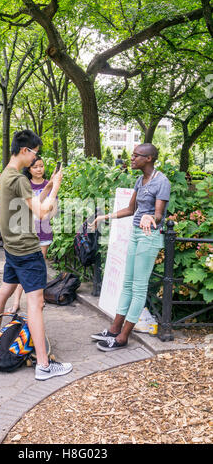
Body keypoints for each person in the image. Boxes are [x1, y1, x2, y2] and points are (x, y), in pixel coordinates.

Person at [0, 129, 72, 381]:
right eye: (35, 153)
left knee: (4, 292)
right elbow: (42, 214)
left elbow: (27, 205)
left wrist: (46, 188)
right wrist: (56, 188)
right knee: (36, 304)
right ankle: (44, 366)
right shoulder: (20, 179)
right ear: (25, 150)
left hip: (12, 248)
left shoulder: (6, 173)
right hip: (27, 250)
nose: (36, 159)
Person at [89, 143, 170, 351]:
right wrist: (105, 216)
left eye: (136, 155)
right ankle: (115, 328)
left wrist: (149, 216)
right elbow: (131, 208)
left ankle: (123, 336)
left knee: (138, 287)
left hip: (149, 236)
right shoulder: (139, 180)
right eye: (132, 155)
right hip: (135, 234)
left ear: (149, 158)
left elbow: (159, 215)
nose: (132, 158)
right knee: (127, 283)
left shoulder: (162, 181)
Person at [10, 156, 57, 313]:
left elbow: (51, 209)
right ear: (29, 169)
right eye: (35, 166)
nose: (39, 169)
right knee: (24, 268)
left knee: (39, 267)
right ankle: (16, 300)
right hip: (27, 233)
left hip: (43, 231)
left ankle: (39, 299)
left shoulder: (48, 185)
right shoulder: (26, 185)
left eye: (41, 166)